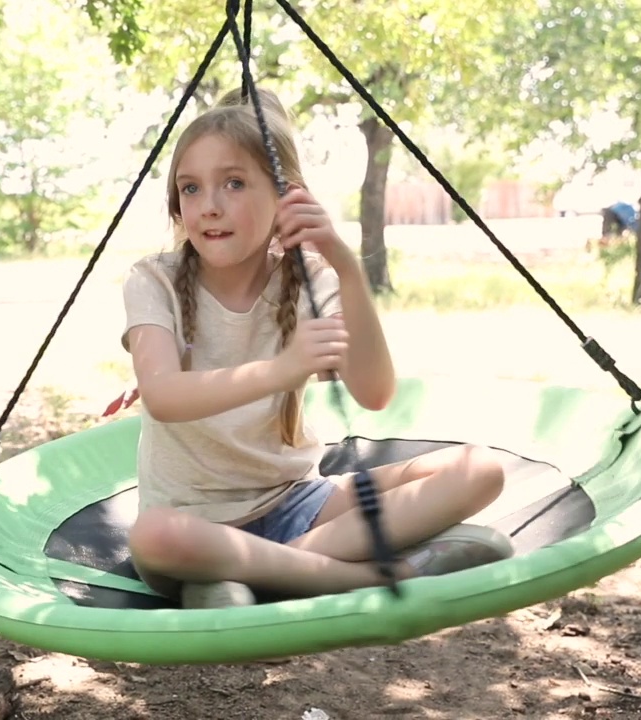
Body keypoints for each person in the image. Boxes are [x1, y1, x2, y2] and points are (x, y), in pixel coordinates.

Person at [120, 93, 515, 610]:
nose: (209, 205)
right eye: (190, 188)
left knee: (480, 469)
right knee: (153, 536)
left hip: (295, 504)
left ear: (289, 198)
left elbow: (373, 392)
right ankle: (362, 578)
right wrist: (283, 369)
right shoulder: (156, 279)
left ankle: (249, 576)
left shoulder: (308, 279)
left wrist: (346, 267)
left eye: (233, 183)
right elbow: (164, 396)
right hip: (191, 522)